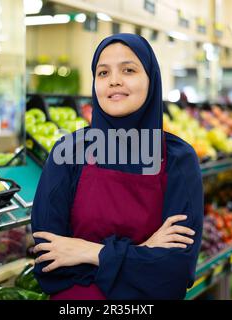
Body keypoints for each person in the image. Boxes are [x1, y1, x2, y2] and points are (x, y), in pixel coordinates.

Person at [31, 33, 204, 300]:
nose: (114, 80)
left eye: (129, 70)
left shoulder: (178, 158)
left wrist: (91, 253)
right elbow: (50, 265)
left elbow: (174, 274)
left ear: (151, 79)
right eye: (103, 72)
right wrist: (145, 252)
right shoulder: (68, 152)